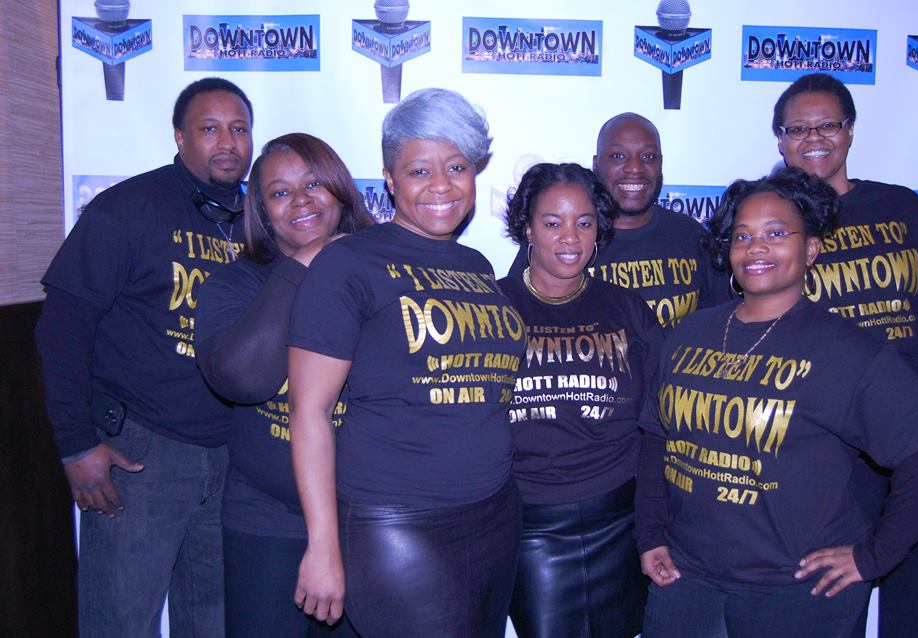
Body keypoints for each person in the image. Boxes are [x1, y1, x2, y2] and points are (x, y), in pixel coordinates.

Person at [635, 168, 918, 638]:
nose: (756, 247)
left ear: (810, 250)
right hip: (687, 582)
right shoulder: (691, 333)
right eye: (743, 235)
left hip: (796, 593)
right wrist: (649, 534)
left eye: (776, 233)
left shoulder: (844, 349)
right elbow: (656, 439)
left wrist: (876, 555)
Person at [287, 88, 526, 638]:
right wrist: (322, 545)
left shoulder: (476, 264)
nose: (442, 185)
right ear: (390, 180)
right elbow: (309, 412)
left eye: (457, 167)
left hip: (494, 512)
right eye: (420, 170)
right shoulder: (348, 262)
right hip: (395, 522)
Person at [35, 77, 254, 637]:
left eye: (239, 129)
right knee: (121, 623)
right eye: (209, 128)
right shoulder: (129, 208)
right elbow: (62, 329)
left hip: (233, 456)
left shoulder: (259, 221)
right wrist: (75, 443)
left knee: (215, 623)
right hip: (143, 454)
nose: (227, 142)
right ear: (180, 137)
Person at [772, 72, 918, 637]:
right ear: (780, 140)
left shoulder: (900, 207)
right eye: (798, 129)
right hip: (831, 448)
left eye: (828, 124)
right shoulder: (769, 224)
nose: (814, 138)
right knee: (831, 610)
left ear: (850, 131)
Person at [195, 133, 372, 637]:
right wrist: (302, 264)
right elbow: (242, 379)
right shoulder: (236, 284)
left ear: (340, 189)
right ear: (261, 212)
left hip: (366, 519)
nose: (300, 200)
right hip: (267, 520)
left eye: (314, 183)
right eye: (279, 192)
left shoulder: (382, 274)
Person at [498, 162, 663, 638]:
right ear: (527, 227)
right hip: (531, 524)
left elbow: (659, 424)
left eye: (584, 223)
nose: (570, 238)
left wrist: (653, 526)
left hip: (622, 518)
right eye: (553, 222)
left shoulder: (628, 308)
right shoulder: (492, 307)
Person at [510, 112, 723, 328]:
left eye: (648, 156)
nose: (635, 168)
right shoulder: (557, 245)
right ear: (596, 164)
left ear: (661, 163)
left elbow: (720, 324)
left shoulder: (690, 235)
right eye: (618, 156)